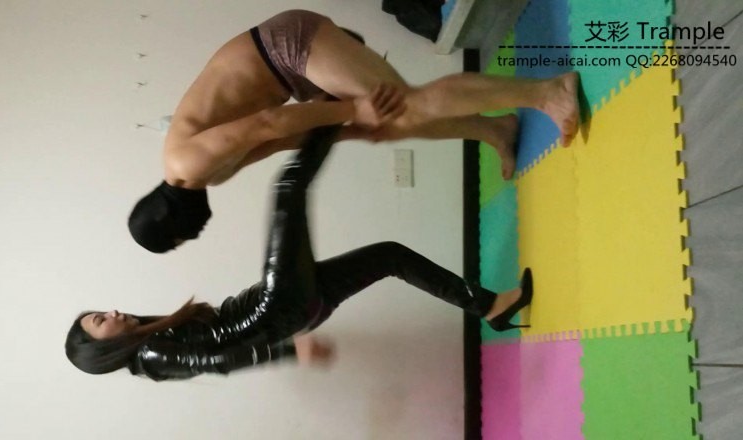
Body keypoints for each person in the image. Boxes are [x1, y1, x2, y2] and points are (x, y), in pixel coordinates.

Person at [69, 125, 533, 380]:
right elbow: (217, 361)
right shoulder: (151, 354)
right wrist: (289, 352)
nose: (111, 312)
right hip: (277, 308)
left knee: (389, 255)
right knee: (288, 188)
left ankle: (490, 306)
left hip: (288, 308)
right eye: (100, 321)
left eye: (100, 312)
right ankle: (336, 108)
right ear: (102, 349)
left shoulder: (153, 337)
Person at [128, 9, 580, 253]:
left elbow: (270, 122)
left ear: (167, 220)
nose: (194, 235)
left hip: (285, 48)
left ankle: (547, 92)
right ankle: (496, 130)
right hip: (288, 76)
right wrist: (352, 129)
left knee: (403, 105)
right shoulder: (207, 176)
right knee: (393, 124)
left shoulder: (185, 163)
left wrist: (353, 109)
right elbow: (278, 140)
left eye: (181, 238)